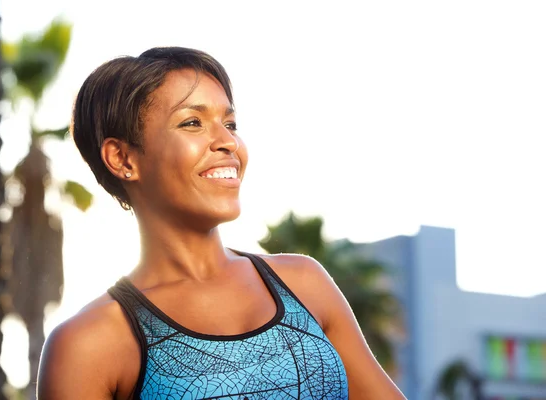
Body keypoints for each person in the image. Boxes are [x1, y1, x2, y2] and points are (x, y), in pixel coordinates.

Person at [37, 47, 406, 400]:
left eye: (230, 123)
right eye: (193, 122)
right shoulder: (88, 343)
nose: (228, 141)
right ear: (122, 158)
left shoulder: (305, 284)